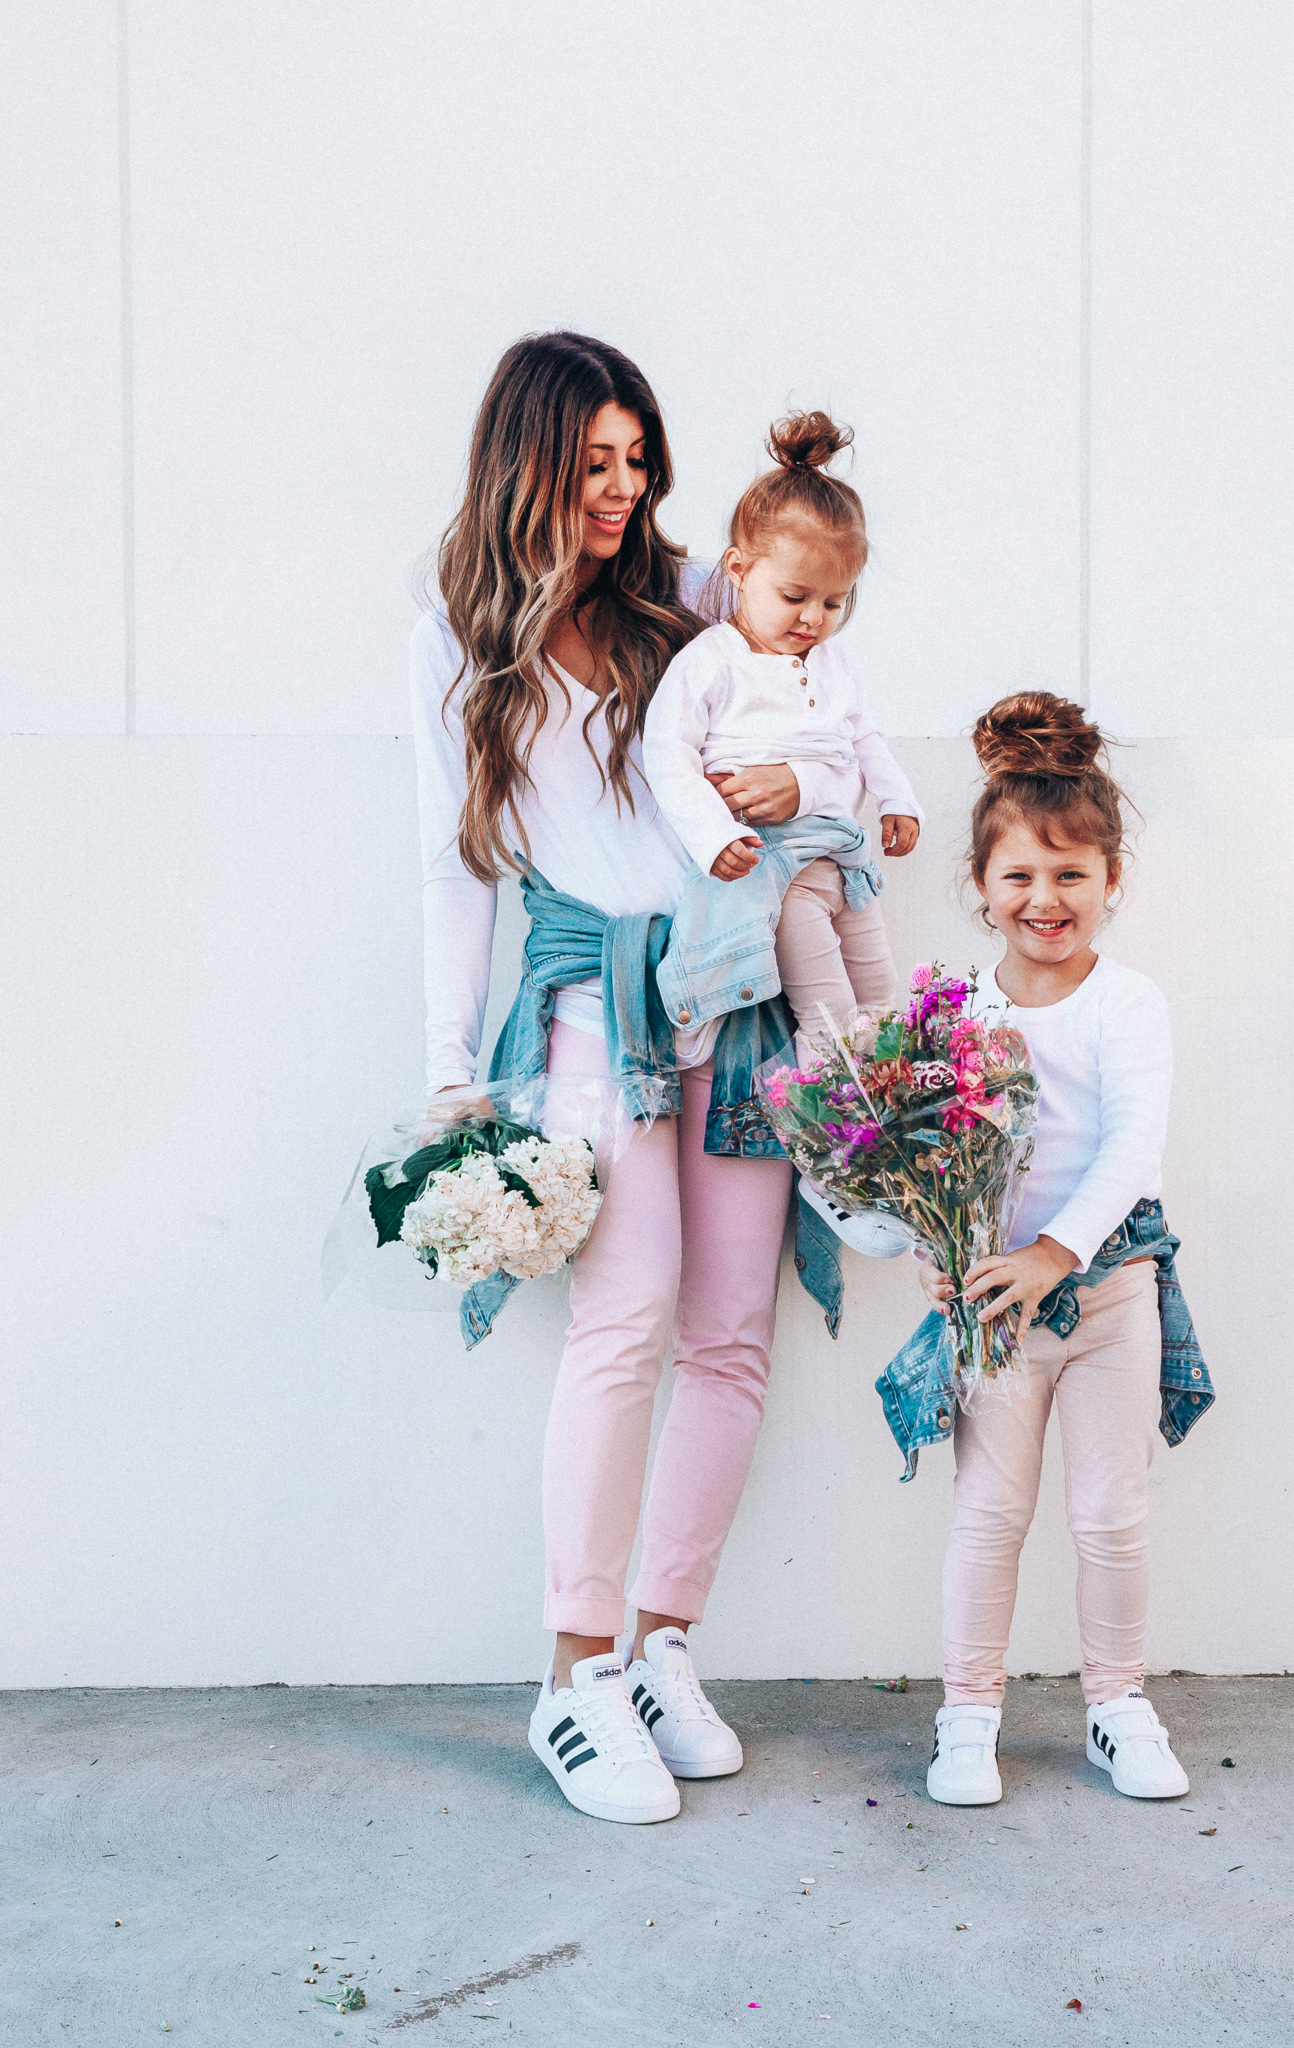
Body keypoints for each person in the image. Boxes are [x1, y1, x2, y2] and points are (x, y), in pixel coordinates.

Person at [409, 332, 809, 1826]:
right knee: (625, 1316)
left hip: (738, 989)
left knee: (729, 1334)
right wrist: (452, 1073)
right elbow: (453, 866)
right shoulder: (458, 631)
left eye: (637, 460)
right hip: (593, 1001)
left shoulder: (690, 593)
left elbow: (815, 706)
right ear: (527, 459)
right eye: (593, 462)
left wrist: (802, 786)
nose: (621, 488)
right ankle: (572, 1676)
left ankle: (661, 1649)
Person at [915, 692, 1192, 1807]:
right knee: (988, 1513)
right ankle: (966, 1714)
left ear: (1111, 879)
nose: (1045, 898)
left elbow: (1131, 1142)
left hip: (1110, 1293)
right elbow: (922, 1151)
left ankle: (1115, 1703)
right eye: (1020, 875)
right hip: (995, 1309)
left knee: (1107, 1512)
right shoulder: (955, 1012)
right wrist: (938, 1244)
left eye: (1071, 874)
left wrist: (1055, 1256)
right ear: (981, 887)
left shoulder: (1125, 1003)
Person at [642, 410, 921, 1054]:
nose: (813, 619)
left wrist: (898, 800)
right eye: (795, 595)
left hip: (844, 859)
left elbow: (864, 739)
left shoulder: (832, 662)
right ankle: (833, 1114)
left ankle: (899, 1102)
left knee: (881, 997)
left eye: (833, 602)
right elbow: (668, 754)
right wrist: (713, 835)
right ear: (738, 569)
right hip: (775, 871)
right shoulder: (711, 661)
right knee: (827, 1013)